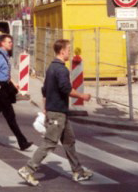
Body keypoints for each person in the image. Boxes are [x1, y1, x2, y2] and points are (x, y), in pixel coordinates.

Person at [18, 39, 93, 186]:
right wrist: (82, 96)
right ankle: (28, 169)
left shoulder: (51, 67)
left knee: (69, 141)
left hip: (59, 112)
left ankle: (78, 171)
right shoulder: (61, 69)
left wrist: (45, 107)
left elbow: (44, 89)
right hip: (58, 112)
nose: (70, 52)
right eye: (68, 49)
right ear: (62, 51)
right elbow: (66, 89)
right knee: (49, 143)